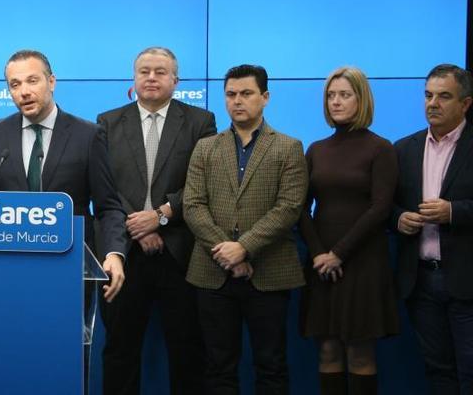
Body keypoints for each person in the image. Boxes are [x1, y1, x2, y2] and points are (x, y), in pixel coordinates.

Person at [96, 46, 215, 394]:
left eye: (160, 71)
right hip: (123, 254)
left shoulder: (199, 122)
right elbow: (104, 187)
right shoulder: (107, 122)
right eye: (144, 70)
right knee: (120, 350)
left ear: (175, 80)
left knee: (188, 352)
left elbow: (201, 182)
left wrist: (160, 218)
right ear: (133, 78)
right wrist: (137, 225)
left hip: (179, 252)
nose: (151, 77)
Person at [183, 64, 307, 395]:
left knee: (271, 366)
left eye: (246, 94)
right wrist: (228, 252)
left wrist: (245, 247)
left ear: (265, 97)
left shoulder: (288, 147)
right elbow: (193, 205)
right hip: (212, 273)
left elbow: (289, 207)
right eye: (231, 94)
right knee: (218, 366)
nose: (238, 101)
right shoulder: (206, 147)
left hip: (269, 273)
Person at [0, 49, 128, 302]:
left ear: (51, 82)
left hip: (71, 269)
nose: (24, 91)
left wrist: (113, 254)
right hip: (9, 270)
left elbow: (108, 207)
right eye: (15, 84)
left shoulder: (87, 135)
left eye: (33, 80)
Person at [298, 67, 399, 394]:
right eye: (331, 95)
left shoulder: (381, 148)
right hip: (321, 264)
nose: (336, 102)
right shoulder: (316, 149)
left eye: (344, 94)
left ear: (362, 98)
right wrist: (318, 254)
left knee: (359, 352)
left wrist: (338, 253)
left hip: (362, 262)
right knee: (327, 350)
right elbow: (300, 208)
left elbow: (380, 208)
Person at [392, 64, 473, 394]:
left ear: (465, 103)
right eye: (428, 95)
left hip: (466, 282)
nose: (432, 103)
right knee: (438, 372)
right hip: (421, 280)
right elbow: (388, 206)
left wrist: (453, 211)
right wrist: (398, 219)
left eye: (443, 96)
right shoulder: (404, 148)